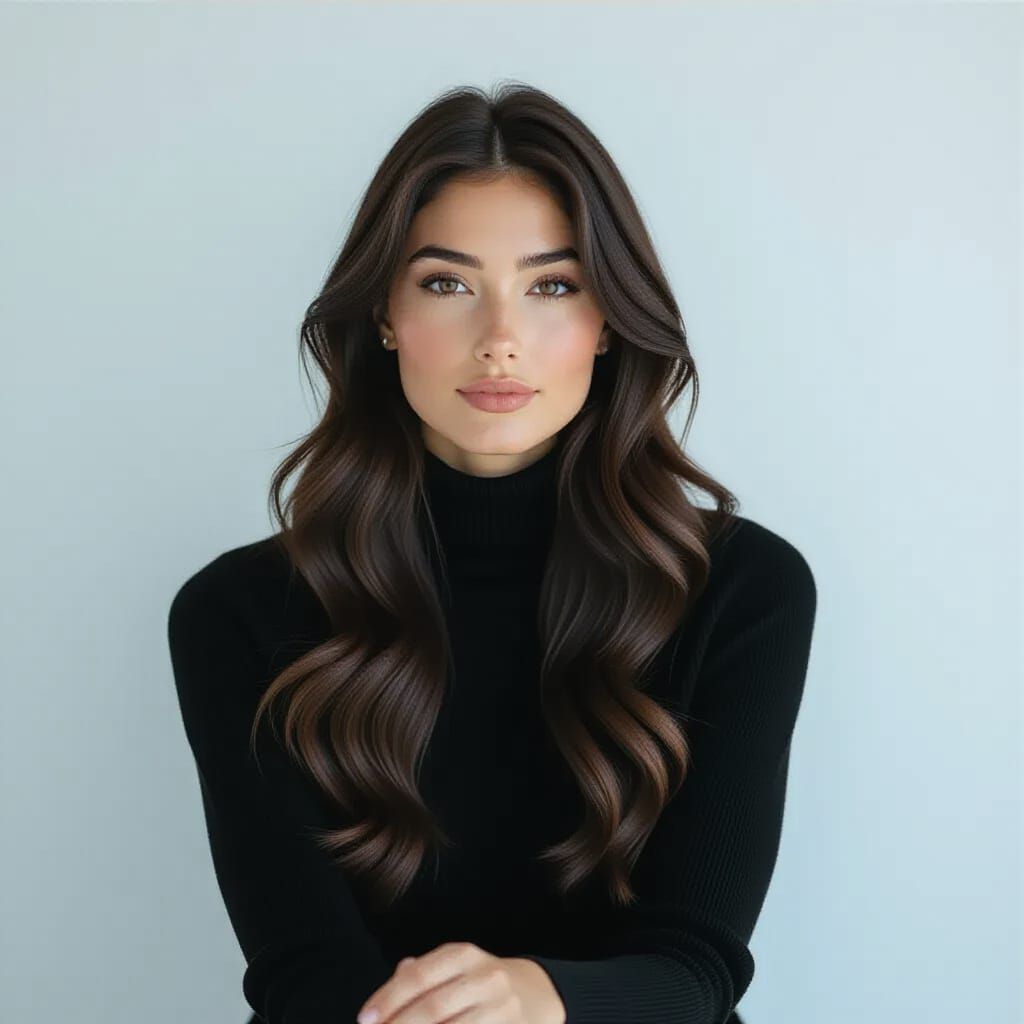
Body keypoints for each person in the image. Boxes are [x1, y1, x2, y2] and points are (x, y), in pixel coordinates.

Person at [167, 82, 817, 1024]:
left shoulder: (742, 590)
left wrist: (544, 999)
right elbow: (301, 972)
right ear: (385, 315)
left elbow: (696, 969)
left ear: (608, 323)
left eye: (553, 286)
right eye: (447, 284)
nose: (501, 341)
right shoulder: (237, 613)